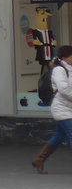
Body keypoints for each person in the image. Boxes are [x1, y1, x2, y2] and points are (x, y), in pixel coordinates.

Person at [32, 44, 72, 174]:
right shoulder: (59, 70)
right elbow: (64, 89)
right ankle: (40, 159)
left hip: (69, 108)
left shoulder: (70, 68)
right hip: (61, 109)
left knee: (58, 136)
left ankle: (40, 159)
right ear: (64, 57)